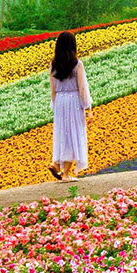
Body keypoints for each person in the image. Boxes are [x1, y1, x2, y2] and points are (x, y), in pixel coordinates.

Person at [48, 31, 92, 182]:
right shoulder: (77, 64)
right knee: (73, 134)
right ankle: (65, 174)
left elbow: (53, 90)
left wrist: (55, 107)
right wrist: (88, 107)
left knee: (62, 134)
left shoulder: (53, 64)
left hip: (60, 100)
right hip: (73, 100)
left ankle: (56, 164)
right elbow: (82, 88)